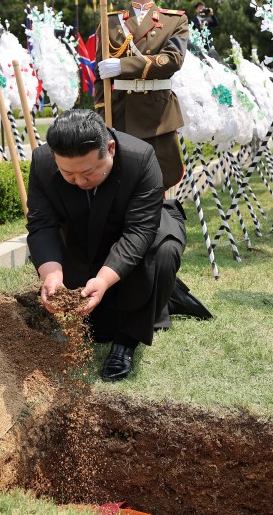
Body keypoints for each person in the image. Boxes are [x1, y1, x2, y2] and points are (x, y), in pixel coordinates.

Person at [26, 110, 212, 382]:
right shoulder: (42, 161)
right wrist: (52, 275)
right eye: (67, 173)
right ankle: (164, 297)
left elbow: (139, 231)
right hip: (83, 235)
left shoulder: (141, 157)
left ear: (110, 150)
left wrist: (102, 280)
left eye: (88, 172)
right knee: (98, 326)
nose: (78, 182)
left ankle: (126, 342)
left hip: (142, 229)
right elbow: (41, 225)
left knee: (163, 251)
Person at [95, 0, 189, 191]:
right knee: (124, 183)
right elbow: (98, 78)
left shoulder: (175, 21)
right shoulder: (111, 22)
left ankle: (163, 229)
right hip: (122, 115)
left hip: (158, 114)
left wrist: (123, 67)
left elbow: (173, 60)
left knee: (160, 180)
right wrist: (102, 117)